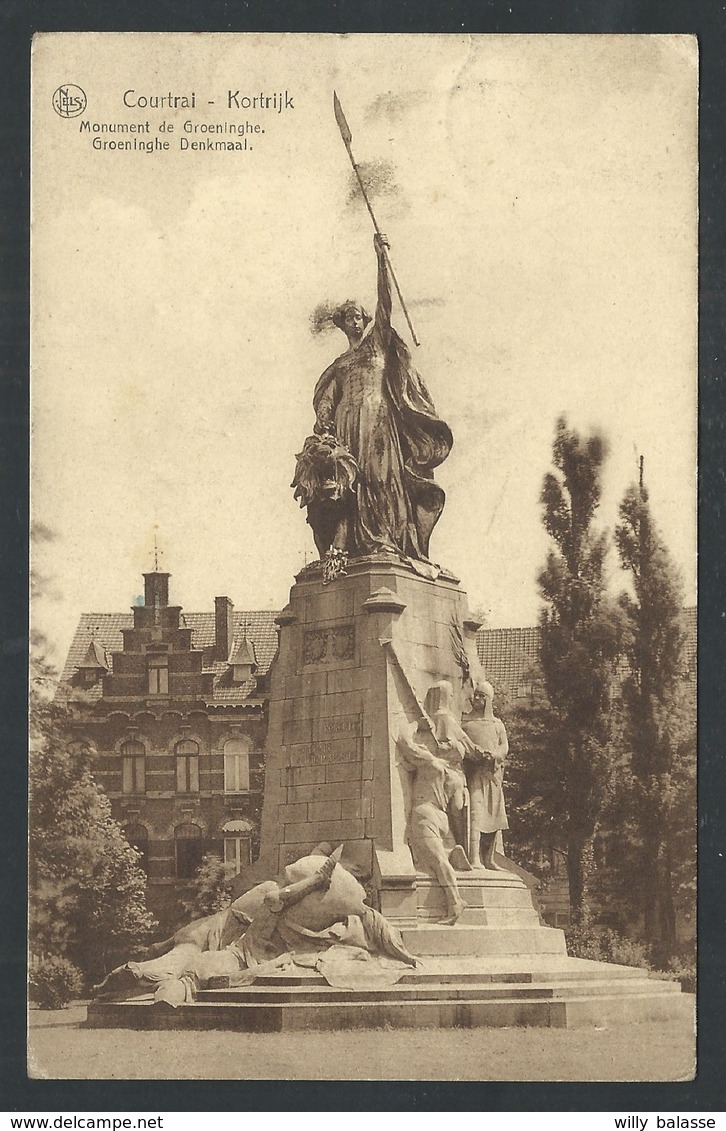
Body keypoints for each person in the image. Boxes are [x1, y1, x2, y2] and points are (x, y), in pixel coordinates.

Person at [307, 232, 452, 572]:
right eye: (348, 318)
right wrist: (325, 417)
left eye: (358, 316)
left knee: (380, 476)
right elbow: (327, 397)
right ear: (342, 324)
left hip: (378, 417)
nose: (354, 322)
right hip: (346, 422)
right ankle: (350, 547)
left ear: (365, 321)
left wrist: (381, 260)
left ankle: (384, 538)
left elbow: (384, 303)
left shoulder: (377, 344)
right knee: (348, 486)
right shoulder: (340, 364)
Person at [461, 679, 509, 870]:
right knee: (476, 815)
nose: (477, 698)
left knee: (495, 817)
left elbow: (504, 745)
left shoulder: (497, 724)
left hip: (493, 776)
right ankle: (474, 857)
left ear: (489, 699)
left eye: (482, 695)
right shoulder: (465, 723)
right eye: (477, 694)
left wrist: (496, 754)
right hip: (474, 775)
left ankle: (488, 858)